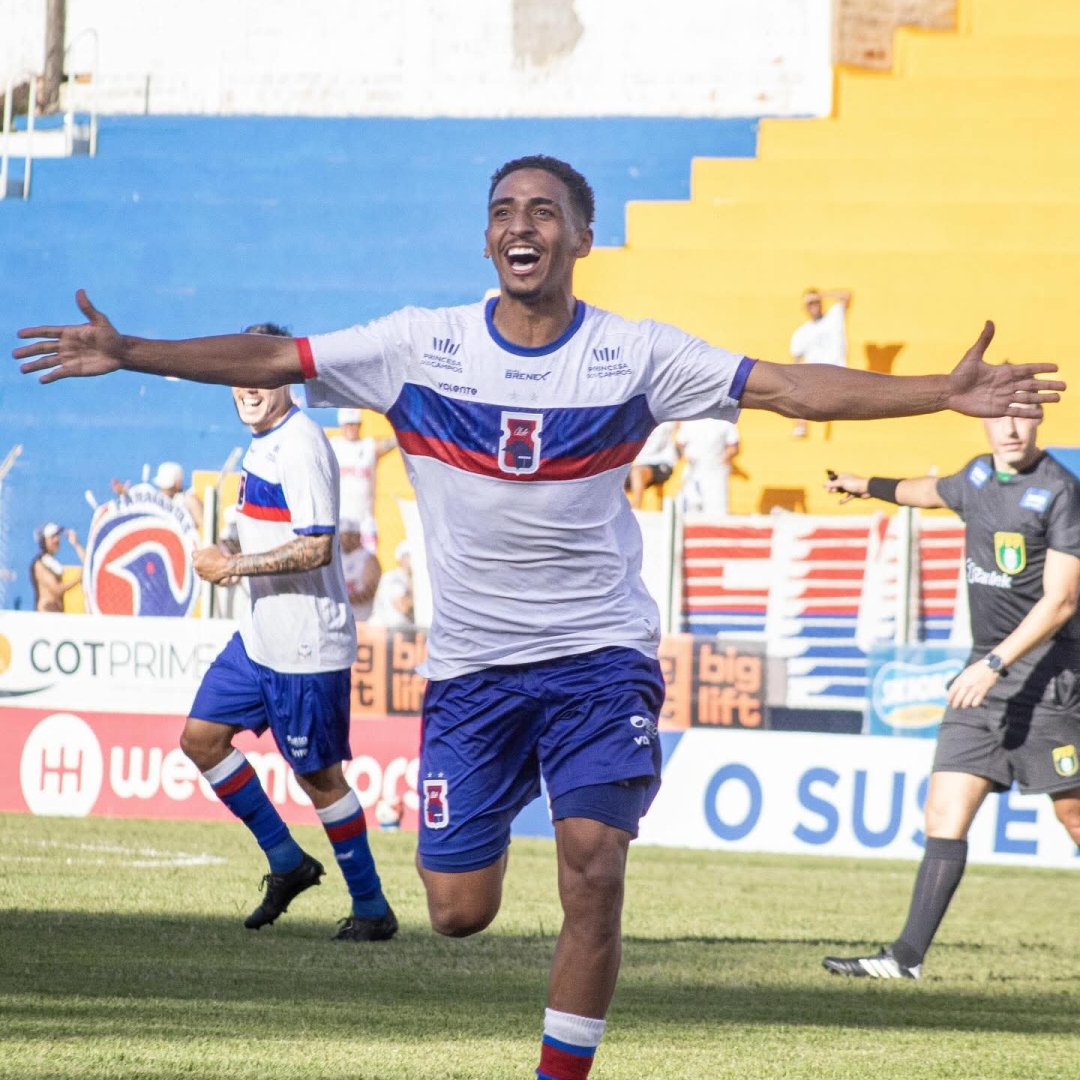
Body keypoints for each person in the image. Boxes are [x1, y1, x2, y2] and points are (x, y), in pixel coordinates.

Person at [14, 155, 1063, 1080]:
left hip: (599, 661)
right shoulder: (414, 347)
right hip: (472, 676)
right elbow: (271, 363)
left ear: (582, 237)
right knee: (457, 913)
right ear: (487, 235)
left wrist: (940, 390)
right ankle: (491, 818)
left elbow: (789, 389)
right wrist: (136, 349)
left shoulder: (635, 355)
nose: (524, 223)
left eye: (547, 209)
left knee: (594, 865)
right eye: (507, 208)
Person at [821, 413, 1080, 979]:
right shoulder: (977, 477)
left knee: (1075, 818)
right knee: (943, 812)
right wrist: (865, 484)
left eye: (1023, 416)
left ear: (1038, 420)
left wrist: (994, 662)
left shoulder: (1062, 492)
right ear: (986, 421)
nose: (1012, 427)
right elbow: (926, 491)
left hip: (1049, 681)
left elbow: (1061, 602)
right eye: (1002, 416)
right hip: (981, 681)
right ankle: (905, 959)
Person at [172, 323, 396, 942]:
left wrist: (232, 566)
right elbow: (263, 530)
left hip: (305, 646)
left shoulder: (301, 444)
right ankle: (287, 861)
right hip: (259, 637)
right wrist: (229, 544)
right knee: (201, 740)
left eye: (260, 369)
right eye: (237, 371)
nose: (246, 383)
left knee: (318, 779)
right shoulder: (260, 441)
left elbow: (318, 547)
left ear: (286, 377)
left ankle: (373, 908)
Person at [790, 287, 852, 438]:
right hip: (817, 377)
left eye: (816, 302)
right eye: (810, 303)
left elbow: (846, 295)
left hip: (838, 373)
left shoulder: (834, 316)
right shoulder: (802, 332)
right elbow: (795, 363)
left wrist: (822, 294)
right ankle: (801, 426)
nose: (814, 305)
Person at [330, 407, 397, 542]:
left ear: (360, 425)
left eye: (354, 424)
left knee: (367, 560)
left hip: (365, 521)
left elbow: (394, 441)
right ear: (341, 426)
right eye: (347, 424)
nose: (351, 428)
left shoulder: (369, 446)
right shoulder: (332, 445)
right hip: (340, 520)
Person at [676, 417, 740, 516]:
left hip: (716, 473)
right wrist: (685, 457)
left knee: (717, 514)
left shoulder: (725, 419)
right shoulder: (689, 418)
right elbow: (680, 443)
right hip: (692, 471)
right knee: (686, 513)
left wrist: (723, 458)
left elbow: (733, 446)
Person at [30, 523, 84, 612]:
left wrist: (76, 544)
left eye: (57, 536)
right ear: (43, 541)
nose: (57, 540)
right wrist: (78, 578)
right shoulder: (40, 564)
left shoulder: (54, 564)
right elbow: (56, 589)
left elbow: (88, 565)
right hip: (46, 615)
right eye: (52, 537)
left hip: (57, 613)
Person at [626, 420, 677, 509]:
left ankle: (636, 512)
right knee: (615, 476)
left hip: (661, 464)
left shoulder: (667, 419)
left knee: (637, 473)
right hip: (638, 465)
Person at [340, 516, 382, 622]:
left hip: (362, 621)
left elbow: (369, 592)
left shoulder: (368, 558)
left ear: (356, 536)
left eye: (346, 536)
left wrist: (341, 599)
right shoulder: (337, 558)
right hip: (341, 620)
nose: (342, 540)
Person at [369, 539, 414, 627]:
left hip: (397, 631)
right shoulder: (394, 577)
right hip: (385, 630)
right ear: (401, 559)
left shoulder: (410, 578)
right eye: (408, 556)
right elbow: (402, 605)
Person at [151, 460, 205, 530]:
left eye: (167, 488)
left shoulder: (189, 501)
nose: (163, 491)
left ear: (177, 484)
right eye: (162, 487)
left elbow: (206, 527)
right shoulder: (158, 503)